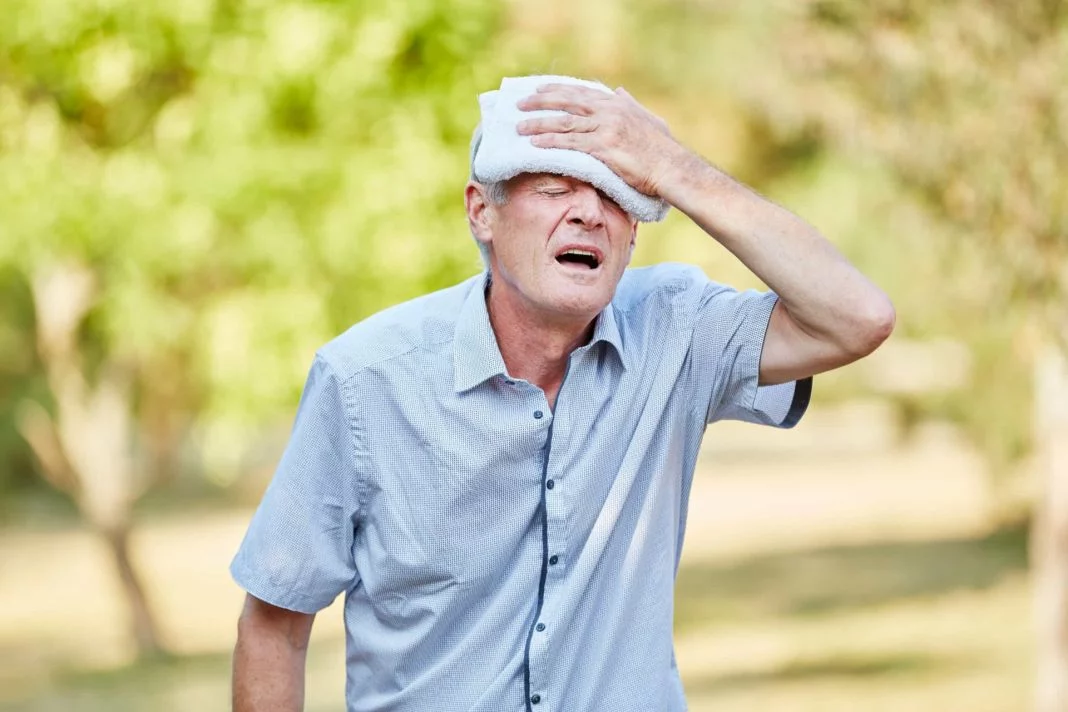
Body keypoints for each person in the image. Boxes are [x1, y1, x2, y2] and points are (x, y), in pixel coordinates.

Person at [230, 75, 894, 712]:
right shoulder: (364, 381)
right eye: (554, 189)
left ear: (635, 234)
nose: (588, 213)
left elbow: (858, 317)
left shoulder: (678, 331)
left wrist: (673, 168)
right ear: (481, 213)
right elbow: (274, 626)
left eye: (617, 196)